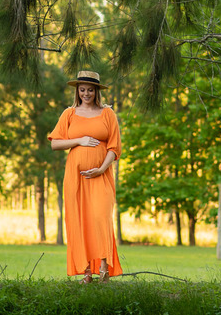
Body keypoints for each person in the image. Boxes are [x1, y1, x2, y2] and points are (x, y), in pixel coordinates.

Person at [48, 70, 122, 282]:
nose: (86, 94)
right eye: (82, 90)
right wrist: (79, 140)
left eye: (90, 90)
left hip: (101, 175)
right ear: (77, 91)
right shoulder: (69, 114)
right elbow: (55, 143)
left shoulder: (107, 113)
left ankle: (104, 268)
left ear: (96, 91)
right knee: (80, 220)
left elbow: (114, 147)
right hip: (76, 177)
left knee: (101, 218)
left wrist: (101, 169)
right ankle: (86, 272)